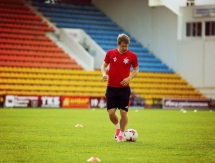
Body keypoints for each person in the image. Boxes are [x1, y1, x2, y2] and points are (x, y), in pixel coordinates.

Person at [101, 34, 139, 142]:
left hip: (124, 88)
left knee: (123, 112)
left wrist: (129, 78)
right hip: (111, 88)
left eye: (126, 46)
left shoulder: (132, 56)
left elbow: (136, 70)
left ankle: (121, 134)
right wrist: (104, 74)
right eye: (122, 46)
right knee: (111, 112)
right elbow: (103, 66)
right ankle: (117, 127)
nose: (124, 48)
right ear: (118, 44)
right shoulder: (110, 53)